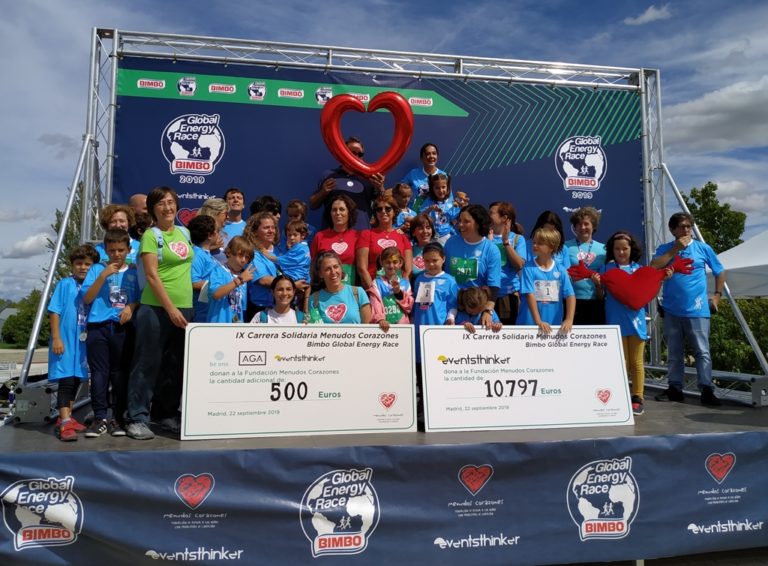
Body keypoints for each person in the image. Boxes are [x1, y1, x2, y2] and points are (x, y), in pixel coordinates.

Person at [126, 186, 194, 440]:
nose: (168, 207)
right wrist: (170, 308)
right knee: (147, 363)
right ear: (153, 209)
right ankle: (137, 418)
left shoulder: (185, 232)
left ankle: (165, 414)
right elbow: (152, 276)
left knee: (174, 365)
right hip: (156, 308)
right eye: (162, 203)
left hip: (184, 307)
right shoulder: (150, 236)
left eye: (171, 202)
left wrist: (182, 307)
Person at [651, 212, 726, 406]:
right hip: (671, 310)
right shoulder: (666, 248)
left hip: (697, 310)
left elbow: (720, 270)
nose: (686, 230)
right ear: (672, 229)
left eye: (689, 226)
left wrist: (717, 295)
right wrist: (675, 249)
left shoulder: (703, 248)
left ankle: (707, 389)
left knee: (702, 351)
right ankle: (675, 388)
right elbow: (653, 266)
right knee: (674, 353)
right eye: (682, 227)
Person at [81, 229, 140, 437]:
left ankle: (117, 417)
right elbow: (87, 298)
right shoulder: (97, 269)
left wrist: (131, 307)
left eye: (121, 250)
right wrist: (103, 276)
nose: (116, 254)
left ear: (128, 250)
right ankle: (99, 417)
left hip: (122, 328)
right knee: (99, 374)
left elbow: (140, 297)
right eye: (112, 250)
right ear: (105, 250)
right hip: (98, 327)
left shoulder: (133, 271)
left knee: (119, 373)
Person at [593, 231, 655, 416]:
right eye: (617, 248)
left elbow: (648, 292)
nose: (621, 252)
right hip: (614, 321)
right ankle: (620, 395)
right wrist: (597, 285)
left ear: (631, 249)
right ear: (612, 250)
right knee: (621, 362)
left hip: (636, 323)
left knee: (636, 362)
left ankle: (638, 397)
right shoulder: (606, 269)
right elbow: (600, 297)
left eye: (625, 248)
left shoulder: (639, 269)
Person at [48, 244, 100, 441]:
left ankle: (66, 417)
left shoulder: (95, 287)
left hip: (83, 342)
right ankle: (64, 422)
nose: (83, 267)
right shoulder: (65, 284)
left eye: (88, 264)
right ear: (72, 266)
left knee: (78, 379)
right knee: (66, 380)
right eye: (79, 263)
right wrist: (56, 338)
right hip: (66, 341)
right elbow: (55, 311)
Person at [309, 136, 385, 230]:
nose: (356, 157)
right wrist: (323, 192)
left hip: (360, 234)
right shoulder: (329, 175)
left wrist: (380, 188)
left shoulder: (369, 178)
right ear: (343, 153)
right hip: (332, 234)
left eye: (360, 154)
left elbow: (381, 206)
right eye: (353, 153)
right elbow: (313, 205)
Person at [444, 204, 501, 328]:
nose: (460, 225)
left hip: (477, 310)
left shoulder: (491, 249)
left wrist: (487, 311)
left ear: (478, 223)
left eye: (466, 221)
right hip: (451, 308)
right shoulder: (451, 243)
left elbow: (494, 285)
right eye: (459, 221)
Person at [517, 226, 575, 334]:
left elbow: (570, 295)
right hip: (528, 325)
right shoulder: (528, 268)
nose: (534, 245)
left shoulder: (561, 270)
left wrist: (569, 319)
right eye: (534, 242)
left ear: (551, 247)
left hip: (553, 326)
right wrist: (538, 321)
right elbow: (530, 295)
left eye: (540, 243)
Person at [356, 193, 413, 290]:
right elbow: (362, 268)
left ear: (394, 212)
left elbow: (407, 270)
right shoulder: (366, 234)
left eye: (387, 208)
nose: (383, 211)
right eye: (379, 209)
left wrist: (402, 291)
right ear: (375, 213)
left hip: (398, 290)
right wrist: (375, 292)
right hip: (374, 288)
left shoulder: (402, 236)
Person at [565, 207, 606, 325]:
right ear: (574, 227)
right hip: (571, 301)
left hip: (595, 302)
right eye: (579, 224)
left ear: (593, 225)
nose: (583, 227)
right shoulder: (565, 247)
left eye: (586, 224)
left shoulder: (603, 249)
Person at [309, 251, 374, 324]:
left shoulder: (358, 293)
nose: (333, 272)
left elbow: (367, 329)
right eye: (327, 269)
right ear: (320, 274)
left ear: (340, 268)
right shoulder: (313, 300)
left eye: (336, 267)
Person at [489, 201, 526, 325]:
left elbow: (519, 265)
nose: (488, 216)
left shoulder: (517, 239)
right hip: (486, 296)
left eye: (491, 213)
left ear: (504, 218)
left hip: (508, 298)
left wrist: (505, 242)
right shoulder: (483, 238)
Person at [309, 194, 359, 285]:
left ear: (349, 212)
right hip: (324, 290)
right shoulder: (320, 236)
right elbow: (312, 266)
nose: (338, 213)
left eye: (342, 209)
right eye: (334, 210)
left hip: (350, 289)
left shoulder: (358, 236)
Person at [207, 237, 255, 323]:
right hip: (217, 327)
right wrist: (238, 281)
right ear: (229, 252)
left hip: (235, 329)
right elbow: (215, 294)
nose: (243, 260)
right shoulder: (218, 270)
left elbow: (241, 308)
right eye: (240, 255)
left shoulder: (242, 277)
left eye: (247, 257)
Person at [243, 211, 279, 321]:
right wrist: (292, 284)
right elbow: (264, 280)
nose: (271, 231)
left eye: (273, 227)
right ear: (254, 232)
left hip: (280, 306)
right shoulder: (252, 254)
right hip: (259, 308)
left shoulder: (280, 251)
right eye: (266, 228)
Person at [367, 246, 414, 330]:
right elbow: (375, 302)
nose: (391, 266)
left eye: (395, 262)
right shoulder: (377, 282)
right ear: (382, 263)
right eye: (388, 262)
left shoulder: (405, 283)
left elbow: (409, 306)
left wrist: (398, 292)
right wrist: (380, 319)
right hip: (383, 326)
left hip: (402, 326)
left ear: (400, 263)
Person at [415, 173, 465, 243]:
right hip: (431, 237)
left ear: (447, 187)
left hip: (446, 236)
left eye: (443, 187)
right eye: (437, 188)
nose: (441, 190)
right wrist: (430, 209)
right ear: (432, 189)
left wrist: (461, 206)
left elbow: (456, 219)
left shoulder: (451, 202)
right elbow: (419, 216)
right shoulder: (428, 201)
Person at [188, 215, 220, 323]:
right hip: (200, 314)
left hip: (209, 310)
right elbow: (194, 282)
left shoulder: (206, 254)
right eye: (217, 231)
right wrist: (221, 286)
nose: (218, 234)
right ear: (210, 235)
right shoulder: (197, 254)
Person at [402, 142, 445, 210]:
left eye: (434, 153)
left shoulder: (443, 175)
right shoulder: (413, 174)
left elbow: (448, 200)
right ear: (421, 158)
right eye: (428, 154)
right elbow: (399, 192)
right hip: (415, 217)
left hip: (435, 218)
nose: (431, 156)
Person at [197, 198, 229, 263]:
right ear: (215, 213)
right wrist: (209, 247)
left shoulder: (225, 236)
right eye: (226, 213)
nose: (228, 217)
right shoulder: (196, 233)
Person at [409, 214, 437, 283]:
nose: (425, 231)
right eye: (420, 228)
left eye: (428, 227)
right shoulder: (409, 251)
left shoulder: (439, 249)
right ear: (413, 233)